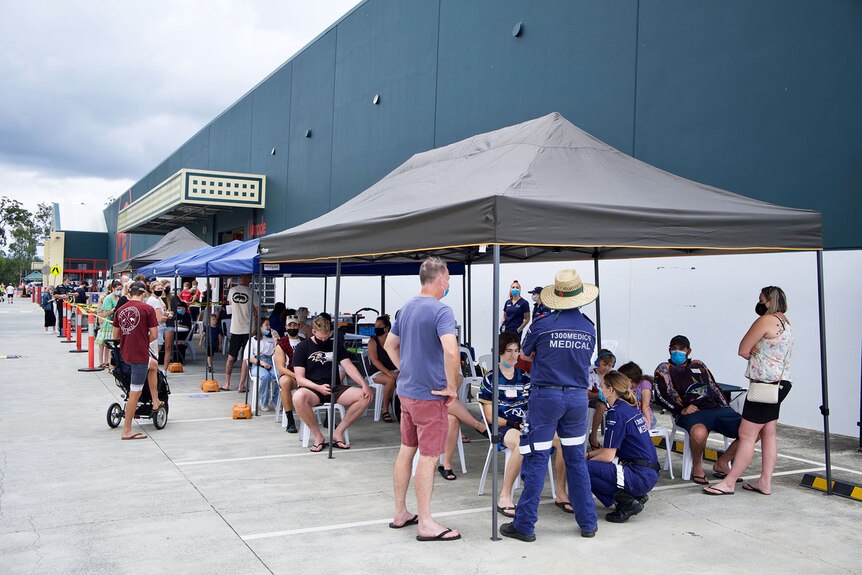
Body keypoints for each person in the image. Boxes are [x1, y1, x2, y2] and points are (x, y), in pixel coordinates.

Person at [500, 268, 599, 542]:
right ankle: (588, 522)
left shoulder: (542, 324)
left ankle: (525, 524)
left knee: (536, 457)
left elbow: (525, 354)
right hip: (578, 398)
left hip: (546, 397)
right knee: (575, 459)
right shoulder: (588, 328)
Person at [384, 256, 462, 541]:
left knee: (407, 449)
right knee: (428, 457)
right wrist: (452, 385)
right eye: (449, 279)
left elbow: (390, 344)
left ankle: (400, 512)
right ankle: (426, 522)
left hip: (407, 392)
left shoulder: (406, 308)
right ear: (440, 279)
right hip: (430, 395)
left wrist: (405, 368)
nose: (449, 283)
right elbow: (452, 352)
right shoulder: (441, 311)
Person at [704, 286, 794, 496]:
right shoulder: (786, 323)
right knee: (768, 433)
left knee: (746, 434)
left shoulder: (766, 320)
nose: (759, 303)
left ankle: (729, 482)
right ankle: (765, 482)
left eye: (761, 299)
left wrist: (752, 350)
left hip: (764, 384)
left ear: (769, 301)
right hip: (781, 383)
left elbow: (743, 349)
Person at [653, 335, 741, 485]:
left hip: (716, 408)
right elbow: (661, 395)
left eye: (681, 349)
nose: (677, 352)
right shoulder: (664, 369)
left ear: (688, 350)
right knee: (699, 433)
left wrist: (726, 407)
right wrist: (681, 408)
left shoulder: (699, 365)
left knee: (752, 430)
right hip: (689, 412)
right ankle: (697, 467)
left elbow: (713, 387)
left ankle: (722, 462)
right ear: (669, 350)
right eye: (673, 349)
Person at [586, 371, 660, 522]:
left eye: (602, 386)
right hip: (648, 472)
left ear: (611, 390)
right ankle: (634, 495)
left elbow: (608, 456)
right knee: (587, 463)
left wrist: (584, 462)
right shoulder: (628, 408)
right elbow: (612, 450)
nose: (600, 389)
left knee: (581, 469)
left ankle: (627, 501)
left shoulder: (616, 414)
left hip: (639, 475)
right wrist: (588, 455)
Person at [292, 315, 371, 451]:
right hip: (313, 388)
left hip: (334, 387)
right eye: (320, 336)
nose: (324, 339)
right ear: (314, 331)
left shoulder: (336, 345)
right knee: (298, 397)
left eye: (326, 336)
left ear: (331, 333)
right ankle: (318, 436)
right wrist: (318, 387)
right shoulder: (302, 347)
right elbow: (300, 378)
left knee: (365, 396)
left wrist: (364, 384)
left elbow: (349, 366)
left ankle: (338, 432)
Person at [479, 332, 530, 517]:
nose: (513, 355)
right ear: (500, 352)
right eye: (508, 350)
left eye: (516, 351)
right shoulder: (490, 379)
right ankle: (505, 495)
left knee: (560, 440)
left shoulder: (525, 378)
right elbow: (490, 417)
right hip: (503, 426)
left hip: (525, 425)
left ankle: (563, 494)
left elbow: (534, 406)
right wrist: (512, 423)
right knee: (522, 443)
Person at [112, 281, 160, 440]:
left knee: (153, 366)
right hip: (140, 354)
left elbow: (116, 336)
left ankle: (155, 400)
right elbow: (154, 335)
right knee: (135, 392)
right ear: (144, 293)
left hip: (125, 353)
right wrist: (142, 339)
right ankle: (127, 430)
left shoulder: (120, 310)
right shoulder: (148, 309)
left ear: (129, 293)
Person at [223, 275, 259, 391]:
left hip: (238, 327)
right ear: (250, 279)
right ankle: (240, 385)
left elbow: (229, 307)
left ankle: (228, 383)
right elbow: (258, 311)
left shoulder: (233, 291)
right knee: (244, 357)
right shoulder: (252, 293)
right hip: (246, 328)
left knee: (234, 357)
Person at [367, 314, 398, 422]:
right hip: (377, 372)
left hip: (393, 369)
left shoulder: (394, 340)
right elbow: (375, 361)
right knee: (390, 380)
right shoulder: (373, 341)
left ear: (386, 328)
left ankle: (402, 408)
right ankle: (385, 410)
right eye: (376, 325)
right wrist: (389, 373)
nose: (377, 328)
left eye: (379, 325)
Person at [275, 314, 302, 433]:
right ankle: (290, 420)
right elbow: (281, 368)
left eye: (295, 325)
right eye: (290, 325)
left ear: (299, 326)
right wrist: (296, 376)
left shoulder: (304, 342)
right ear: (286, 327)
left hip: (305, 375)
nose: (292, 327)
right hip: (290, 375)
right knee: (284, 382)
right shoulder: (281, 344)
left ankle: (328, 417)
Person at [587, 349, 616, 449]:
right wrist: (599, 394)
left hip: (609, 400)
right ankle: (593, 436)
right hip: (592, 401)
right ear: (598, 361)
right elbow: (587, 393)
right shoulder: (590, 374)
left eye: (610, 366)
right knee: (601, 406)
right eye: (604, 364)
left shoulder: (612, 375)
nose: (606, 368)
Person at [249, 319, 279, 411]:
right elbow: (249, 358)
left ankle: (275, 400)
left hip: (270, 361)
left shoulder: (271, 338)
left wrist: (276, 341)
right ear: (260, 327)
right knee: (265, 376)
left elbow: (278, 353)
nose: (269, 327)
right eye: (266, 325)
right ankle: (264, 402)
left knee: (279, 376)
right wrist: (262, 363)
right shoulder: (253, 339)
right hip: (257, 363)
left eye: (269, 325)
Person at [618, 362, 656, 429]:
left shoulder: (644, 384)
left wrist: (648, 423)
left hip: (645, 416)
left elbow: (645, 406)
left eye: (621, 378)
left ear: (629, 379)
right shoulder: (626, 387)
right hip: (629, 416)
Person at [95, 280, 123, 368]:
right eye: (118, 289)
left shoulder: (119, 298)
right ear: (113, 288)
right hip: (108, 323)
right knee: (103, 343)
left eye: (120, 289)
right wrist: (113, 310)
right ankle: (101, 362)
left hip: (115, 324)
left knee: (110, 345)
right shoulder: (108, 298)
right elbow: (104, 313)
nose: (119, 291)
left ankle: (108, 362)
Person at [199, 308, 223, 372]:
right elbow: (203, 335)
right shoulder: (207, 328)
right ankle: (210, 366)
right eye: (213, 319)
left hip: (214, 344)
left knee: (211, 355)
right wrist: (200, 342)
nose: (215, 321)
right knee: (209, 355)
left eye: (216, 320)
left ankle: (209, 364)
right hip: (208, 343)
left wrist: (220, 344)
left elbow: (219, 336)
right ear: (210, 321)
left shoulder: (218, 328)